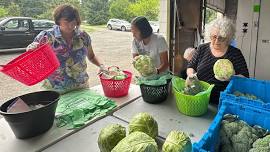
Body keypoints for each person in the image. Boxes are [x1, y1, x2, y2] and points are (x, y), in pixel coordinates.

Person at [30, 4, 105, 94]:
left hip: (81, 87)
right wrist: (31, 51)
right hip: (55, 90)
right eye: (66, 22)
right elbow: (35, 63)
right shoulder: (46, 37)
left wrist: (101, 65)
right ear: (58, 20)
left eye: (73, 22)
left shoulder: (83, 36)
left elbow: (92, 56)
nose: (70, 26)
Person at [186, 17, 249, 104]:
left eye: (221, 38)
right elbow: (191, 66)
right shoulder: (202, 48)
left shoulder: (235, 53)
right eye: (214, 37)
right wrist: (191, 75)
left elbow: (245, 76)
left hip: (223, 100)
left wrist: (232, 77)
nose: (216, 41)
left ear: (228, 38)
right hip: (200, 97)